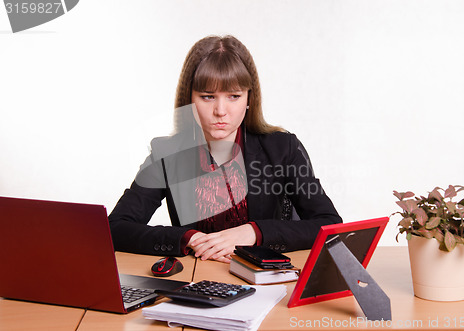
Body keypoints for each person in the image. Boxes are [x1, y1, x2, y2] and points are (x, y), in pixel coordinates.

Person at [108, 35, 342, 263]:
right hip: (197, 278)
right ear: (189, 99)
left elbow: (330, 224)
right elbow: (115, 227)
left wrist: (254, 232)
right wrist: (187, 238)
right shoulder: (166, 153)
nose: (221, 111)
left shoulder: (282, 148)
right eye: (208, 96)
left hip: (263, 279)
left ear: (249, 98)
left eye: (234, 96)